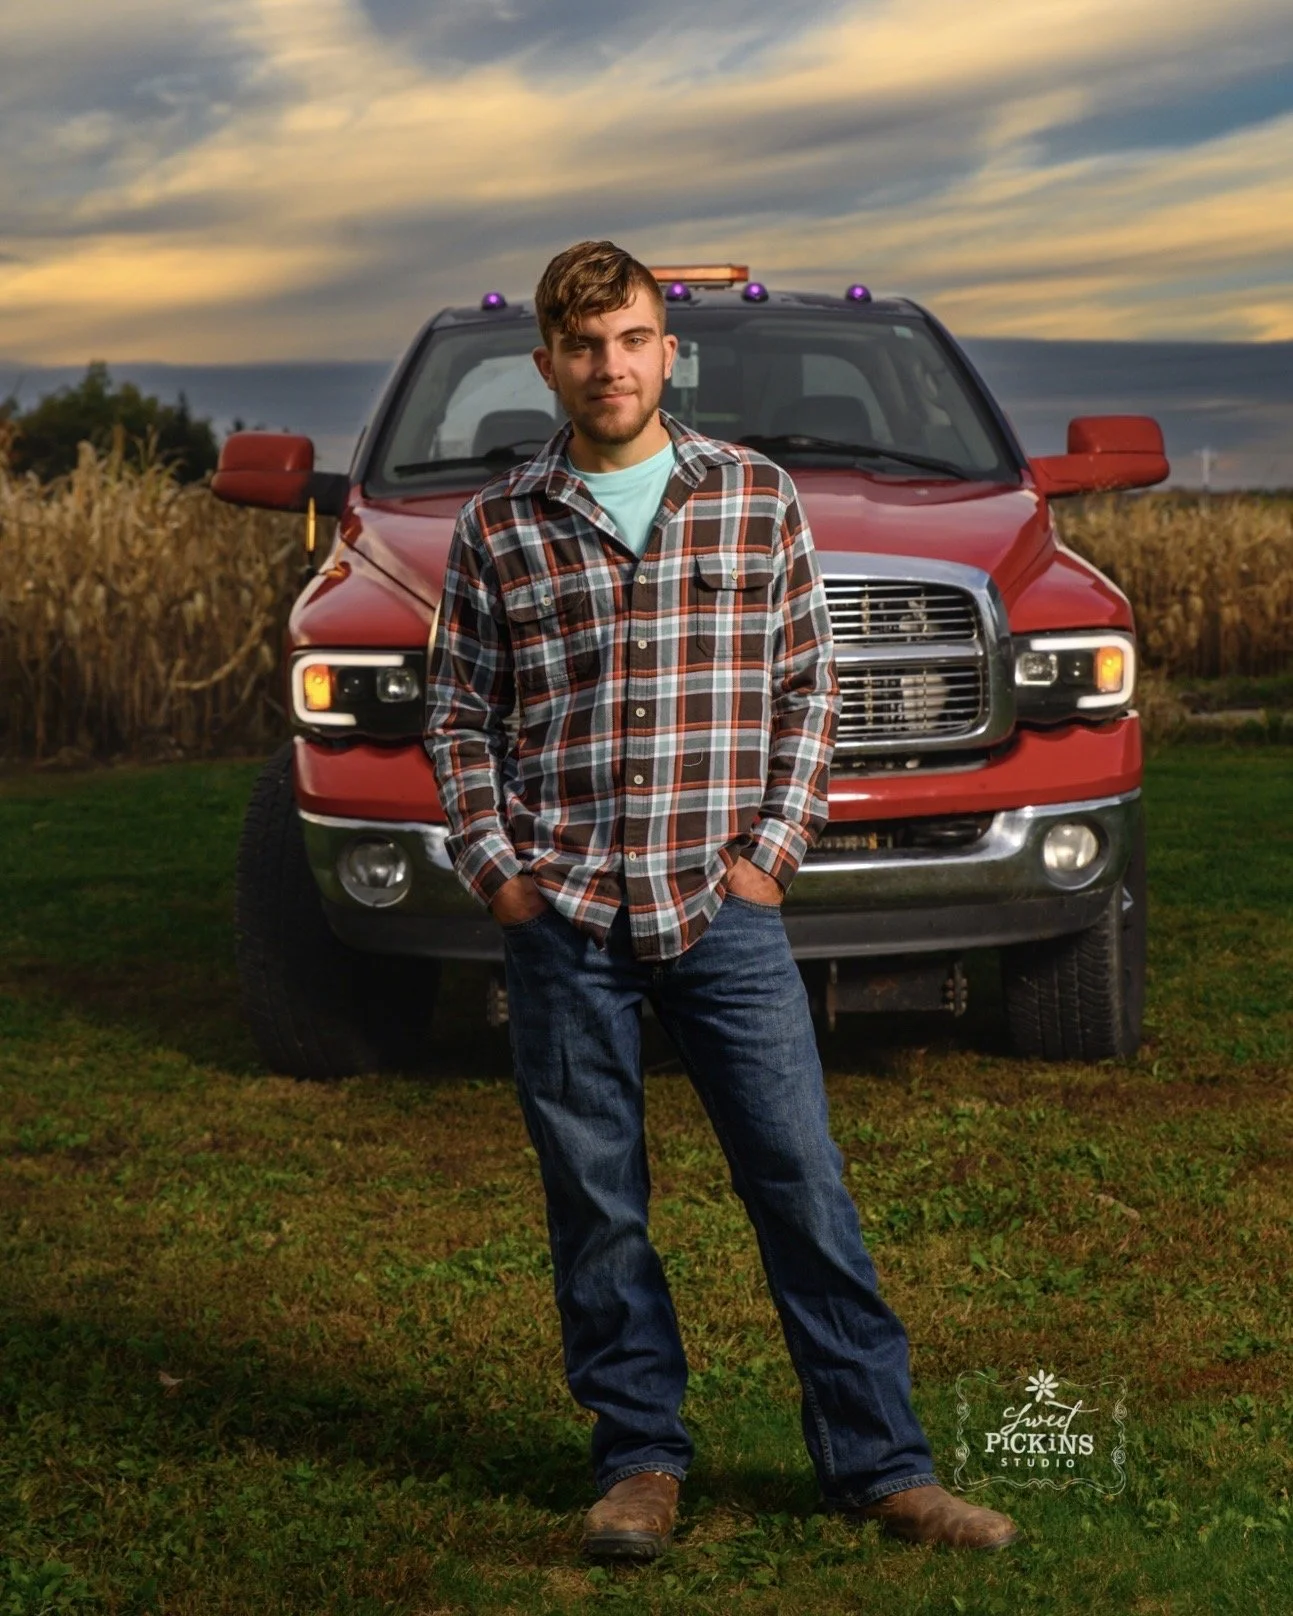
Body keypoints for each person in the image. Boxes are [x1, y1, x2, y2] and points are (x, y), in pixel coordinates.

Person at [425, 240, 1020, 1560]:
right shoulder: (499, 527)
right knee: (598, 1200)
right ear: (548, 365)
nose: (611, 364)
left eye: (632, 338)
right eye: (583, 345)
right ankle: (638, 1461)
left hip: (721, 907)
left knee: (800, 1179)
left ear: (665, 351)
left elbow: (809, 689)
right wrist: (498, 873)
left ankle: (885, 1467)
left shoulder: (754, 499)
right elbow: (459, 715)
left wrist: (773, 854)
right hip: (566, 911)